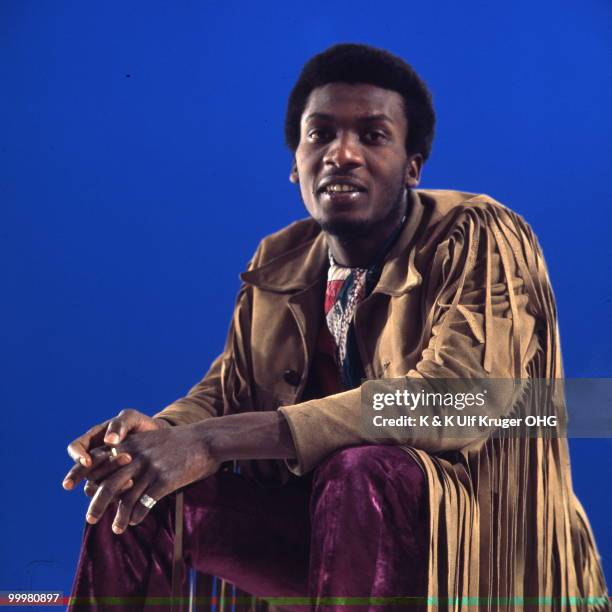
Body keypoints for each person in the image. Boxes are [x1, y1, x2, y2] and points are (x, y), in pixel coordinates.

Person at [63, 44, 607, 610]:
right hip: (330, 534)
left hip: (471, 552)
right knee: (140, 496)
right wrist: (154, 440)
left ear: (412, 166)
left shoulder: (476, 234)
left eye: (372, 136)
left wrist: (209, 440)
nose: (341, 154)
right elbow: (224, 393)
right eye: (319, 135)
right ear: (295, 161)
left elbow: (462, 400)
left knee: (362, 470)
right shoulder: (283, 259)